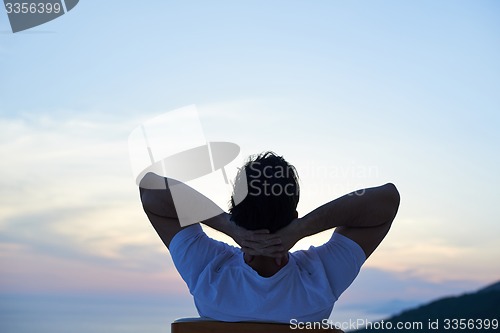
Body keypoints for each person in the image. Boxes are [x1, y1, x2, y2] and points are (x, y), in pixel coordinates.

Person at [139, 151, 400, 323]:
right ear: (294, 213)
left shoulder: (209, 275)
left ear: (235, 210)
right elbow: (387, 198)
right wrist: (302, 228)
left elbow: (150, 187)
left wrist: (226, 225)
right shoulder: (319, 284)